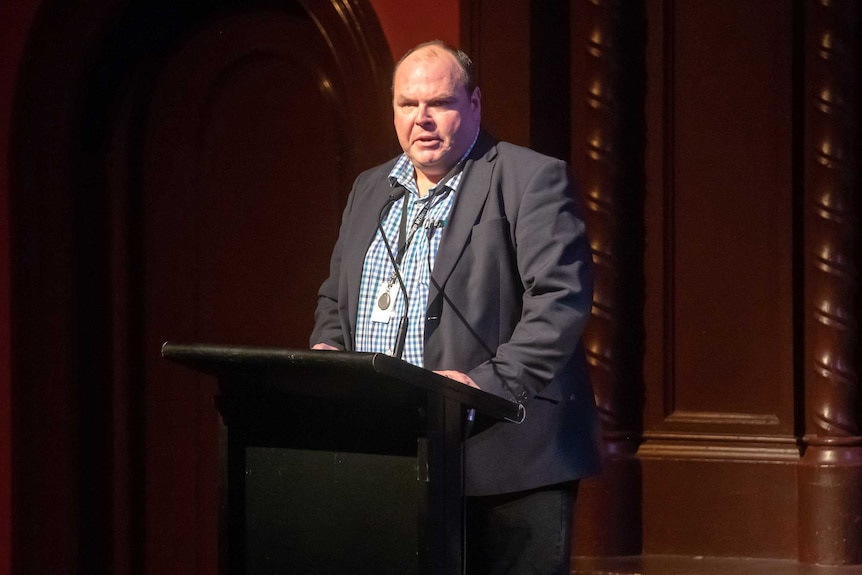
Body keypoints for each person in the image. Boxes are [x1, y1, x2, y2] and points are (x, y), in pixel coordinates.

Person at [310, 40, 600, 575]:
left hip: (506, 455)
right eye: (407, 104)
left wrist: (485, 386)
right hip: (390, 452)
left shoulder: (529, 179)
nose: (421, 119)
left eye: (439, 103)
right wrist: (328, 352)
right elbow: (336, 294)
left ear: (474, 104)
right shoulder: (370, 189)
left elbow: (560, 300)